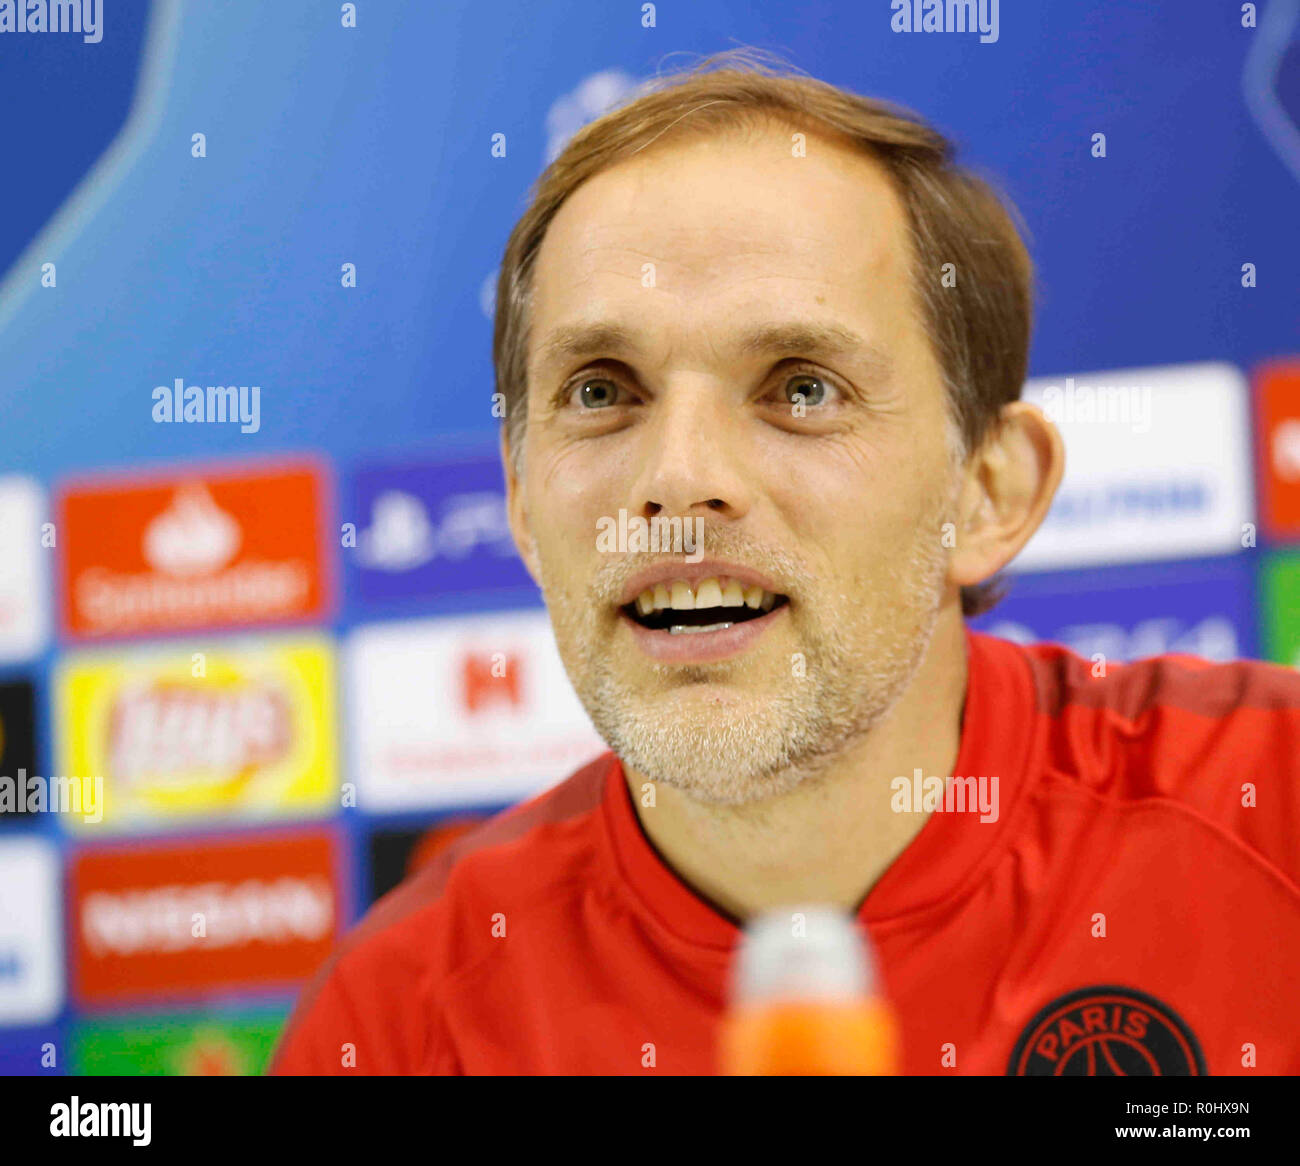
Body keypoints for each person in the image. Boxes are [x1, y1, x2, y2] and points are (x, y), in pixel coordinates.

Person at [271, 49, 1300, 1075]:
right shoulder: (395, 1022)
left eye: (800, 388)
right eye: (600, 391)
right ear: (521, 504)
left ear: (988, 492)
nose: (676, 479)